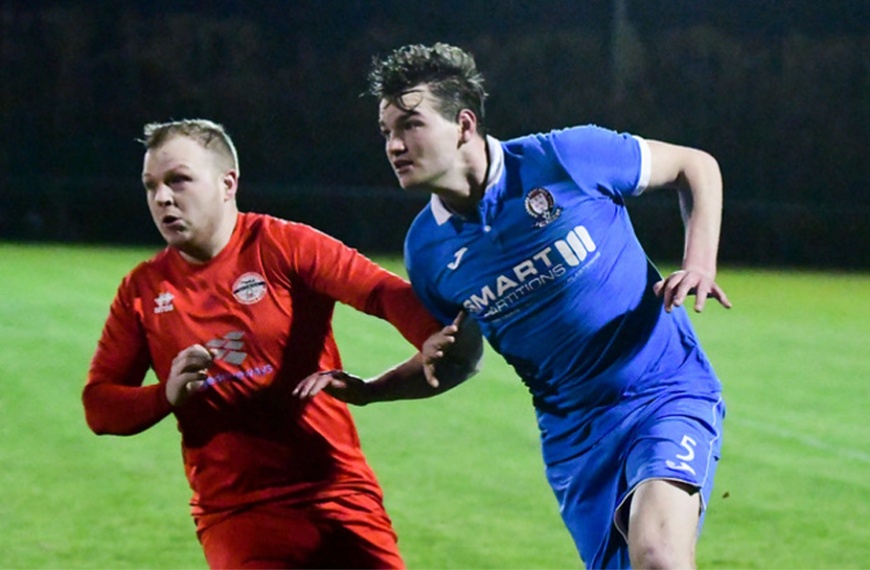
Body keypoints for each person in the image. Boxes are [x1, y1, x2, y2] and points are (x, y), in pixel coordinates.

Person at [300, 43, 732, 569]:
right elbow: (458, 359)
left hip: (664, 389)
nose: (394, 145)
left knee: (659, 557)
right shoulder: (428, 252)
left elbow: (695, 165)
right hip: (575, 437)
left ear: (463, 125)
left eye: (410, 125)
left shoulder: (565, 158)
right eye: (386, 131)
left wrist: (700, 263)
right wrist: (371, 391)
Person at [82, 118, 480, 569]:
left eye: (178, 180)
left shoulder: (283, 245)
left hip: (337, 492)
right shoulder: (142, 290)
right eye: (151, 185)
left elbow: (380, 291)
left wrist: (429, 335)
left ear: (227, 182)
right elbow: (100, 405)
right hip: (237, 514)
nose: (162, 198)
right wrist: (165, 395)